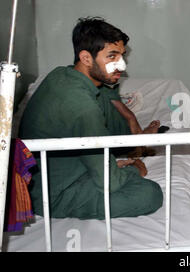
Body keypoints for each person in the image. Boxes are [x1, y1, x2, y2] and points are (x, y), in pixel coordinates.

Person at [19, 17, 163, 219]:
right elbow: (111, 183)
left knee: (104, 96)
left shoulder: (64, 74)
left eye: (121, 56)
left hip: (68, 161)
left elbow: (109, 92)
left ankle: (133, 142)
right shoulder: (82, 107)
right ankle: (129, 149)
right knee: (150, 194)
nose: (121, 65)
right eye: (112, 57)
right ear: (86, 58)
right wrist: (134, 169)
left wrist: (131, 118)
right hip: (55, 193)